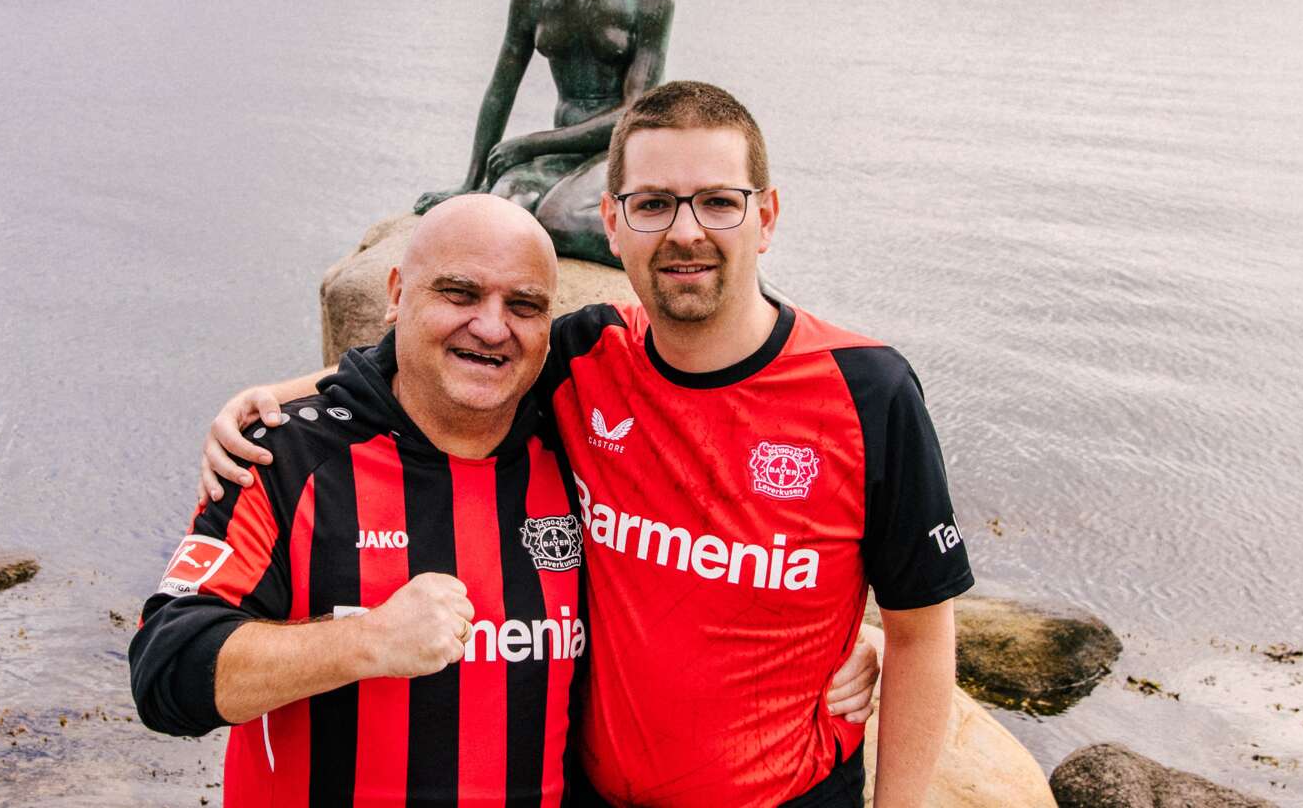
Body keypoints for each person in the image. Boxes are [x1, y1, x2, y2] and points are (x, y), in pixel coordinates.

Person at [203, 82, 973, 807]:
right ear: (611, 222)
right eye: (654, 204)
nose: (685, 231)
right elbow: (452, 361)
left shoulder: (868, 393)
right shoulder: (585, 358)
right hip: (592, 792)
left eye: (717, 202)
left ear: (766, 217)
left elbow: (922, 630)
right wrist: (287, 395)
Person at [132, 193, 878, 806]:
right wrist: (362, 643)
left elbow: (711, 571)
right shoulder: (289, 459)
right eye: (458, 293)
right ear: (396, 294)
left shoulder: (580, 448)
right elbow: (165, 673)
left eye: (523, 305)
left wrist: (842, 646)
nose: (491, 326)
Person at [412, 0, 675, 267]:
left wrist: (530, 144)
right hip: (563, 153)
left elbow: (634, 115)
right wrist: (472, 181)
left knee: (560, 220)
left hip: (622, 153)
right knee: (501, 211)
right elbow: (502, 86)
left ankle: (678, 249)